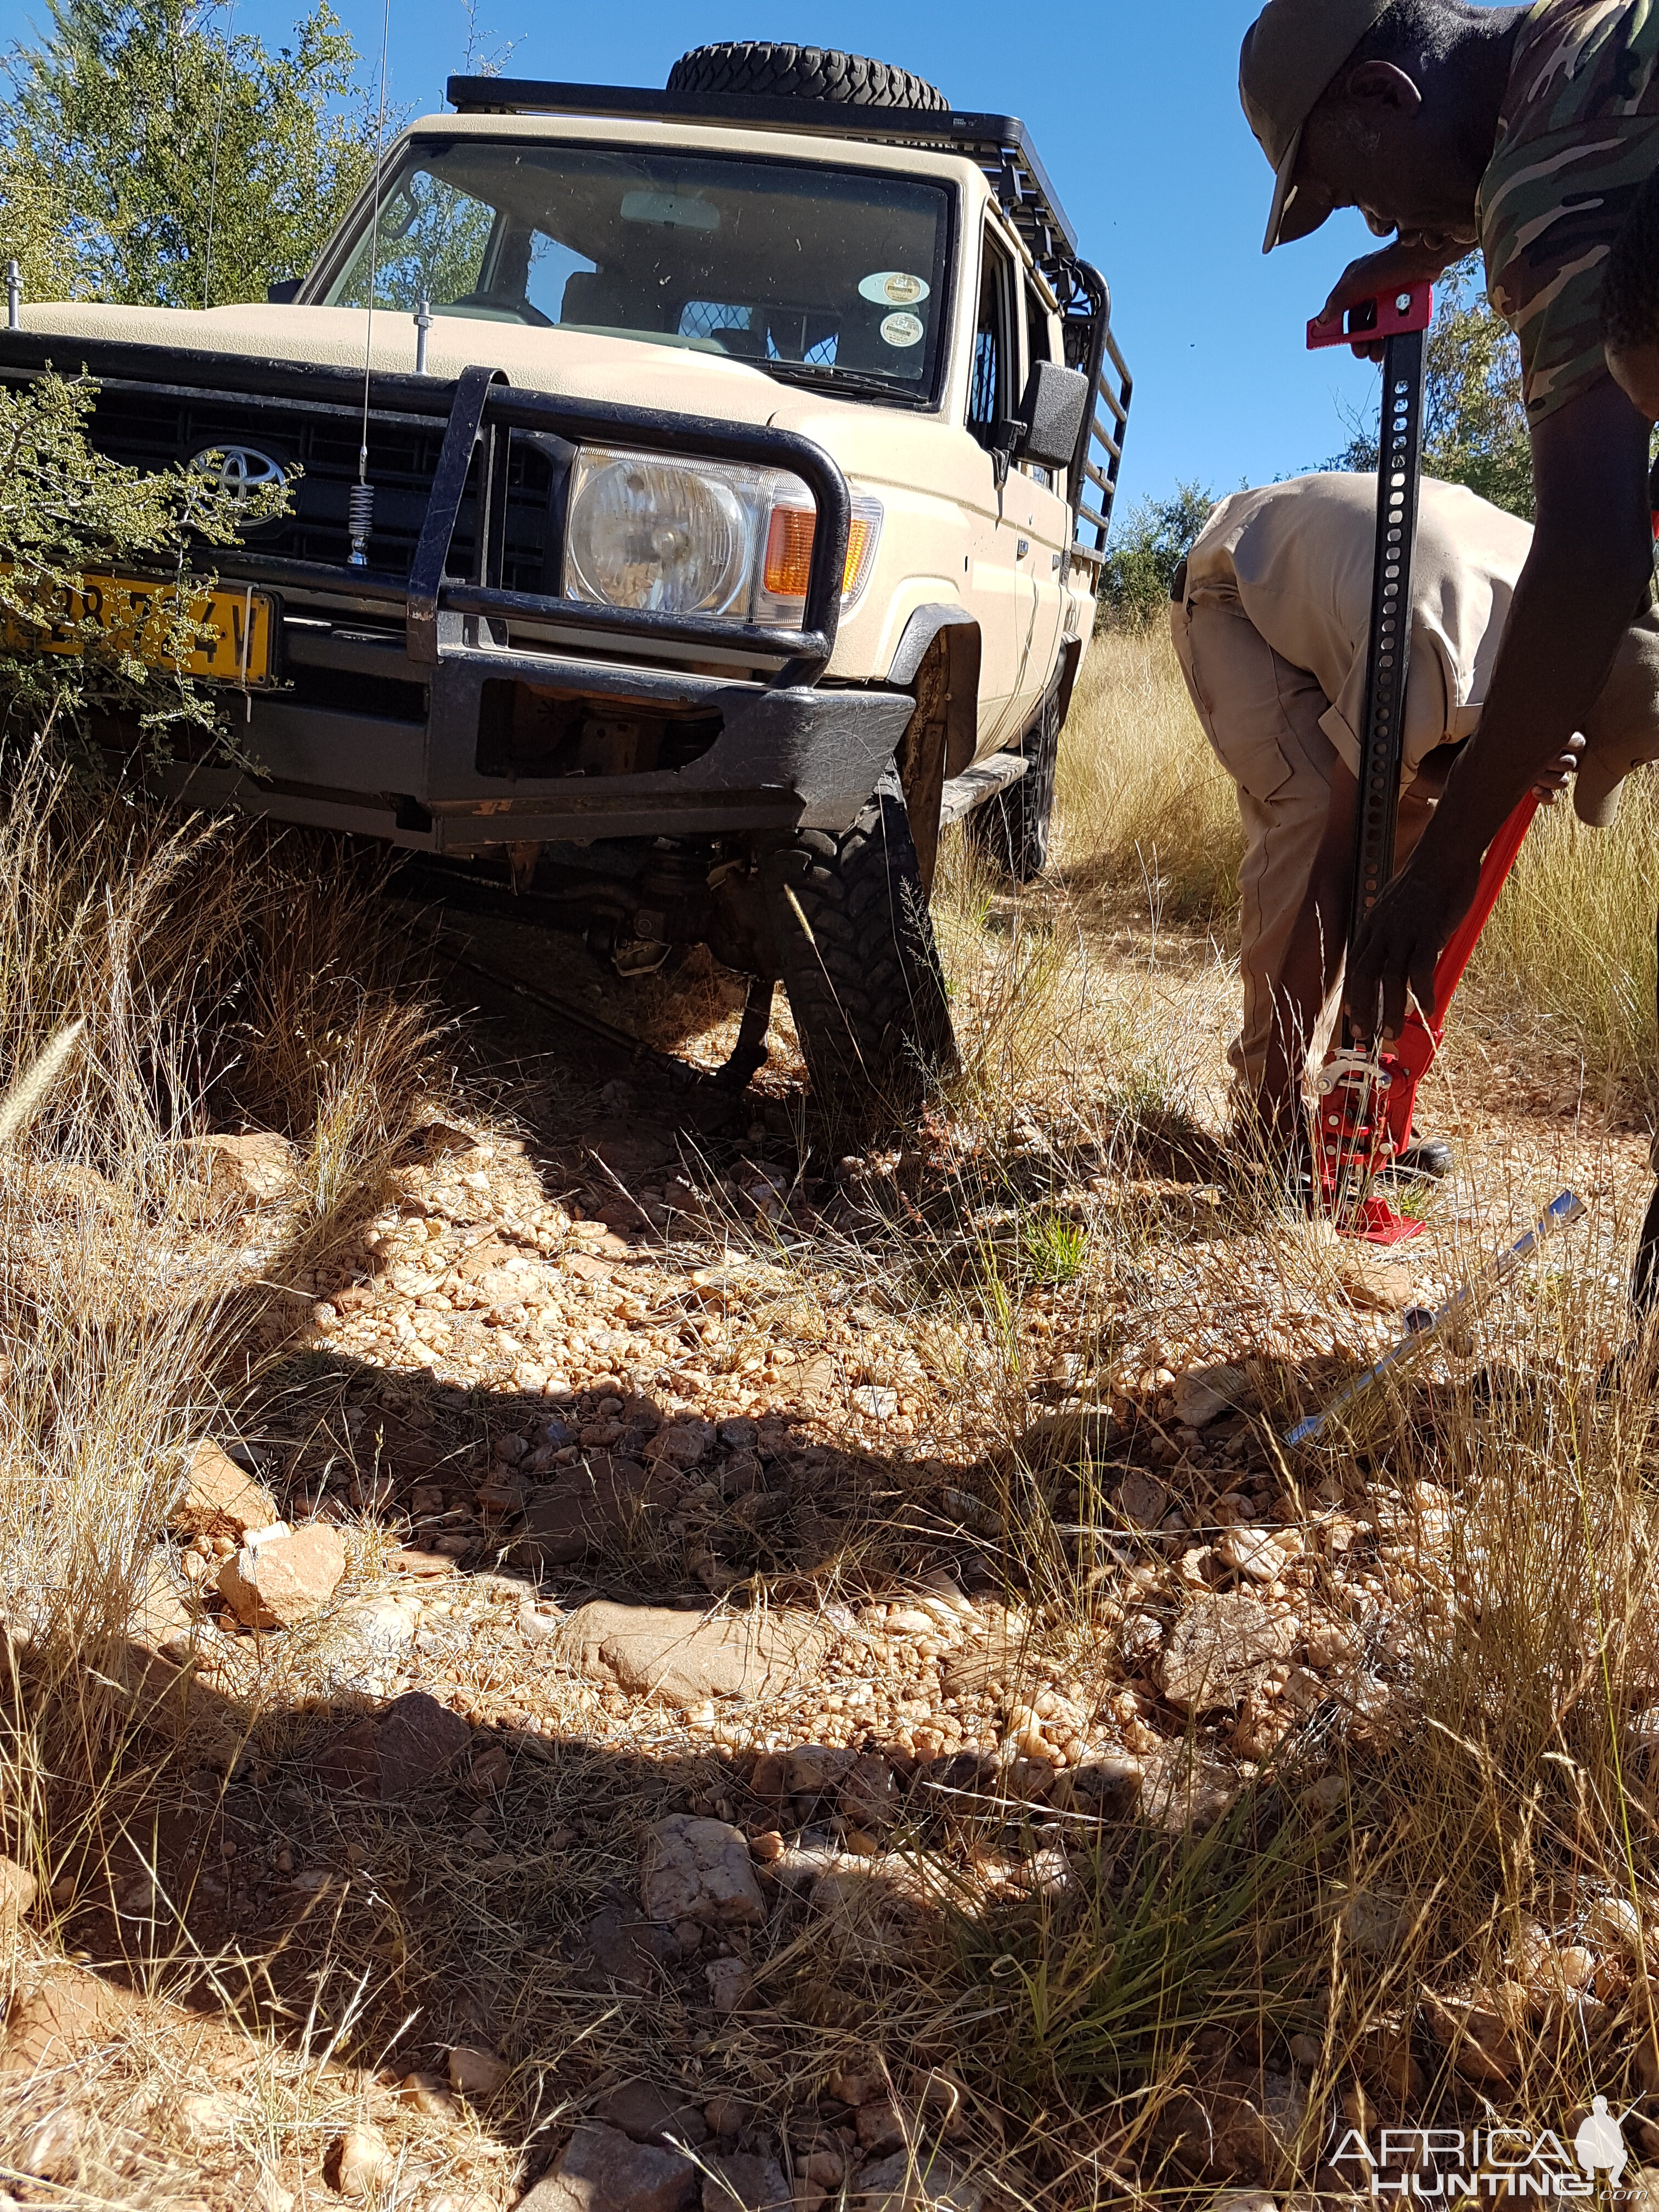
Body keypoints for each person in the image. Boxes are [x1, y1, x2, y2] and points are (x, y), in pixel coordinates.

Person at [1238, 0, 1659, 1047]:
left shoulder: (1541, 181)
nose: (1372, 224)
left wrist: (1437, 871)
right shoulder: (1582, 44)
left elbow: (1592, 554)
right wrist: (1431, 247)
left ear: (1382, 94)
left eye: (1350, 192)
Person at [1171, 469, 1659, 1156]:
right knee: (1318, 817)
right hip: (1237, 597)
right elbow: (1342, 864)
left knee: (1416, 817)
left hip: (1365, 605)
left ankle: (1355, 1103)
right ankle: (1267, 1120)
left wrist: (1488, 766)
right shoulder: (1436, 652)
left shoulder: (1570, 598)